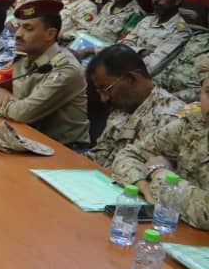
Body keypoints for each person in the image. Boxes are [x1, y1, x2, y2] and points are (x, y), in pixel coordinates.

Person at [110, 55, 209, 230]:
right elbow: (127, 155)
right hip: (176, 230)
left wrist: (158, 173)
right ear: (199, 93)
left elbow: (205, 213)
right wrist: (144, 186)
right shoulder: (191, 126)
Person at [0, 0, 89, 146]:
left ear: (50, 34)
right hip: (27, 138)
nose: (18, 34)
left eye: (28, 28)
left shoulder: (65, 68)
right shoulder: (23, 57)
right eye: (18, 27)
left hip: (65, 149)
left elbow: (22, 113)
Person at [83, 45, 185, 174]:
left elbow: (148, 176)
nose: (104, 98)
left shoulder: (171, 118)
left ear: (132, 79)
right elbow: (98, 156)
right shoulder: (123, 105)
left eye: (106, 89)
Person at [118, 0, 190, 72]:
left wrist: (130, 51)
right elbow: (121, 46)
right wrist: (142, 52)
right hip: (121, 69)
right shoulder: (147, 20)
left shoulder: (180, 32)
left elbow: (150, 67)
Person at [153, 28, 209, 103]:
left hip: (188, 102)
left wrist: (177, 96)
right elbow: (174, 64)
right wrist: (153, 84)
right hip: (163, 91)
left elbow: (204, 92)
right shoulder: (200, 37)